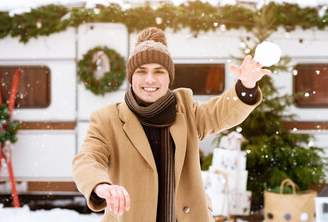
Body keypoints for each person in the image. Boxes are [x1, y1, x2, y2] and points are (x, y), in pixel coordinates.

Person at [72, 27, 271, 222]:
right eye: (141, 71)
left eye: (158, 71)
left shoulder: (187, 111)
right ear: (131, 77)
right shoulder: (107, 119)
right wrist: (101, 185)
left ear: (169, 78)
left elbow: (221, 113)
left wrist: (246, 85)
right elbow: (87, 159)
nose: (150, 79)